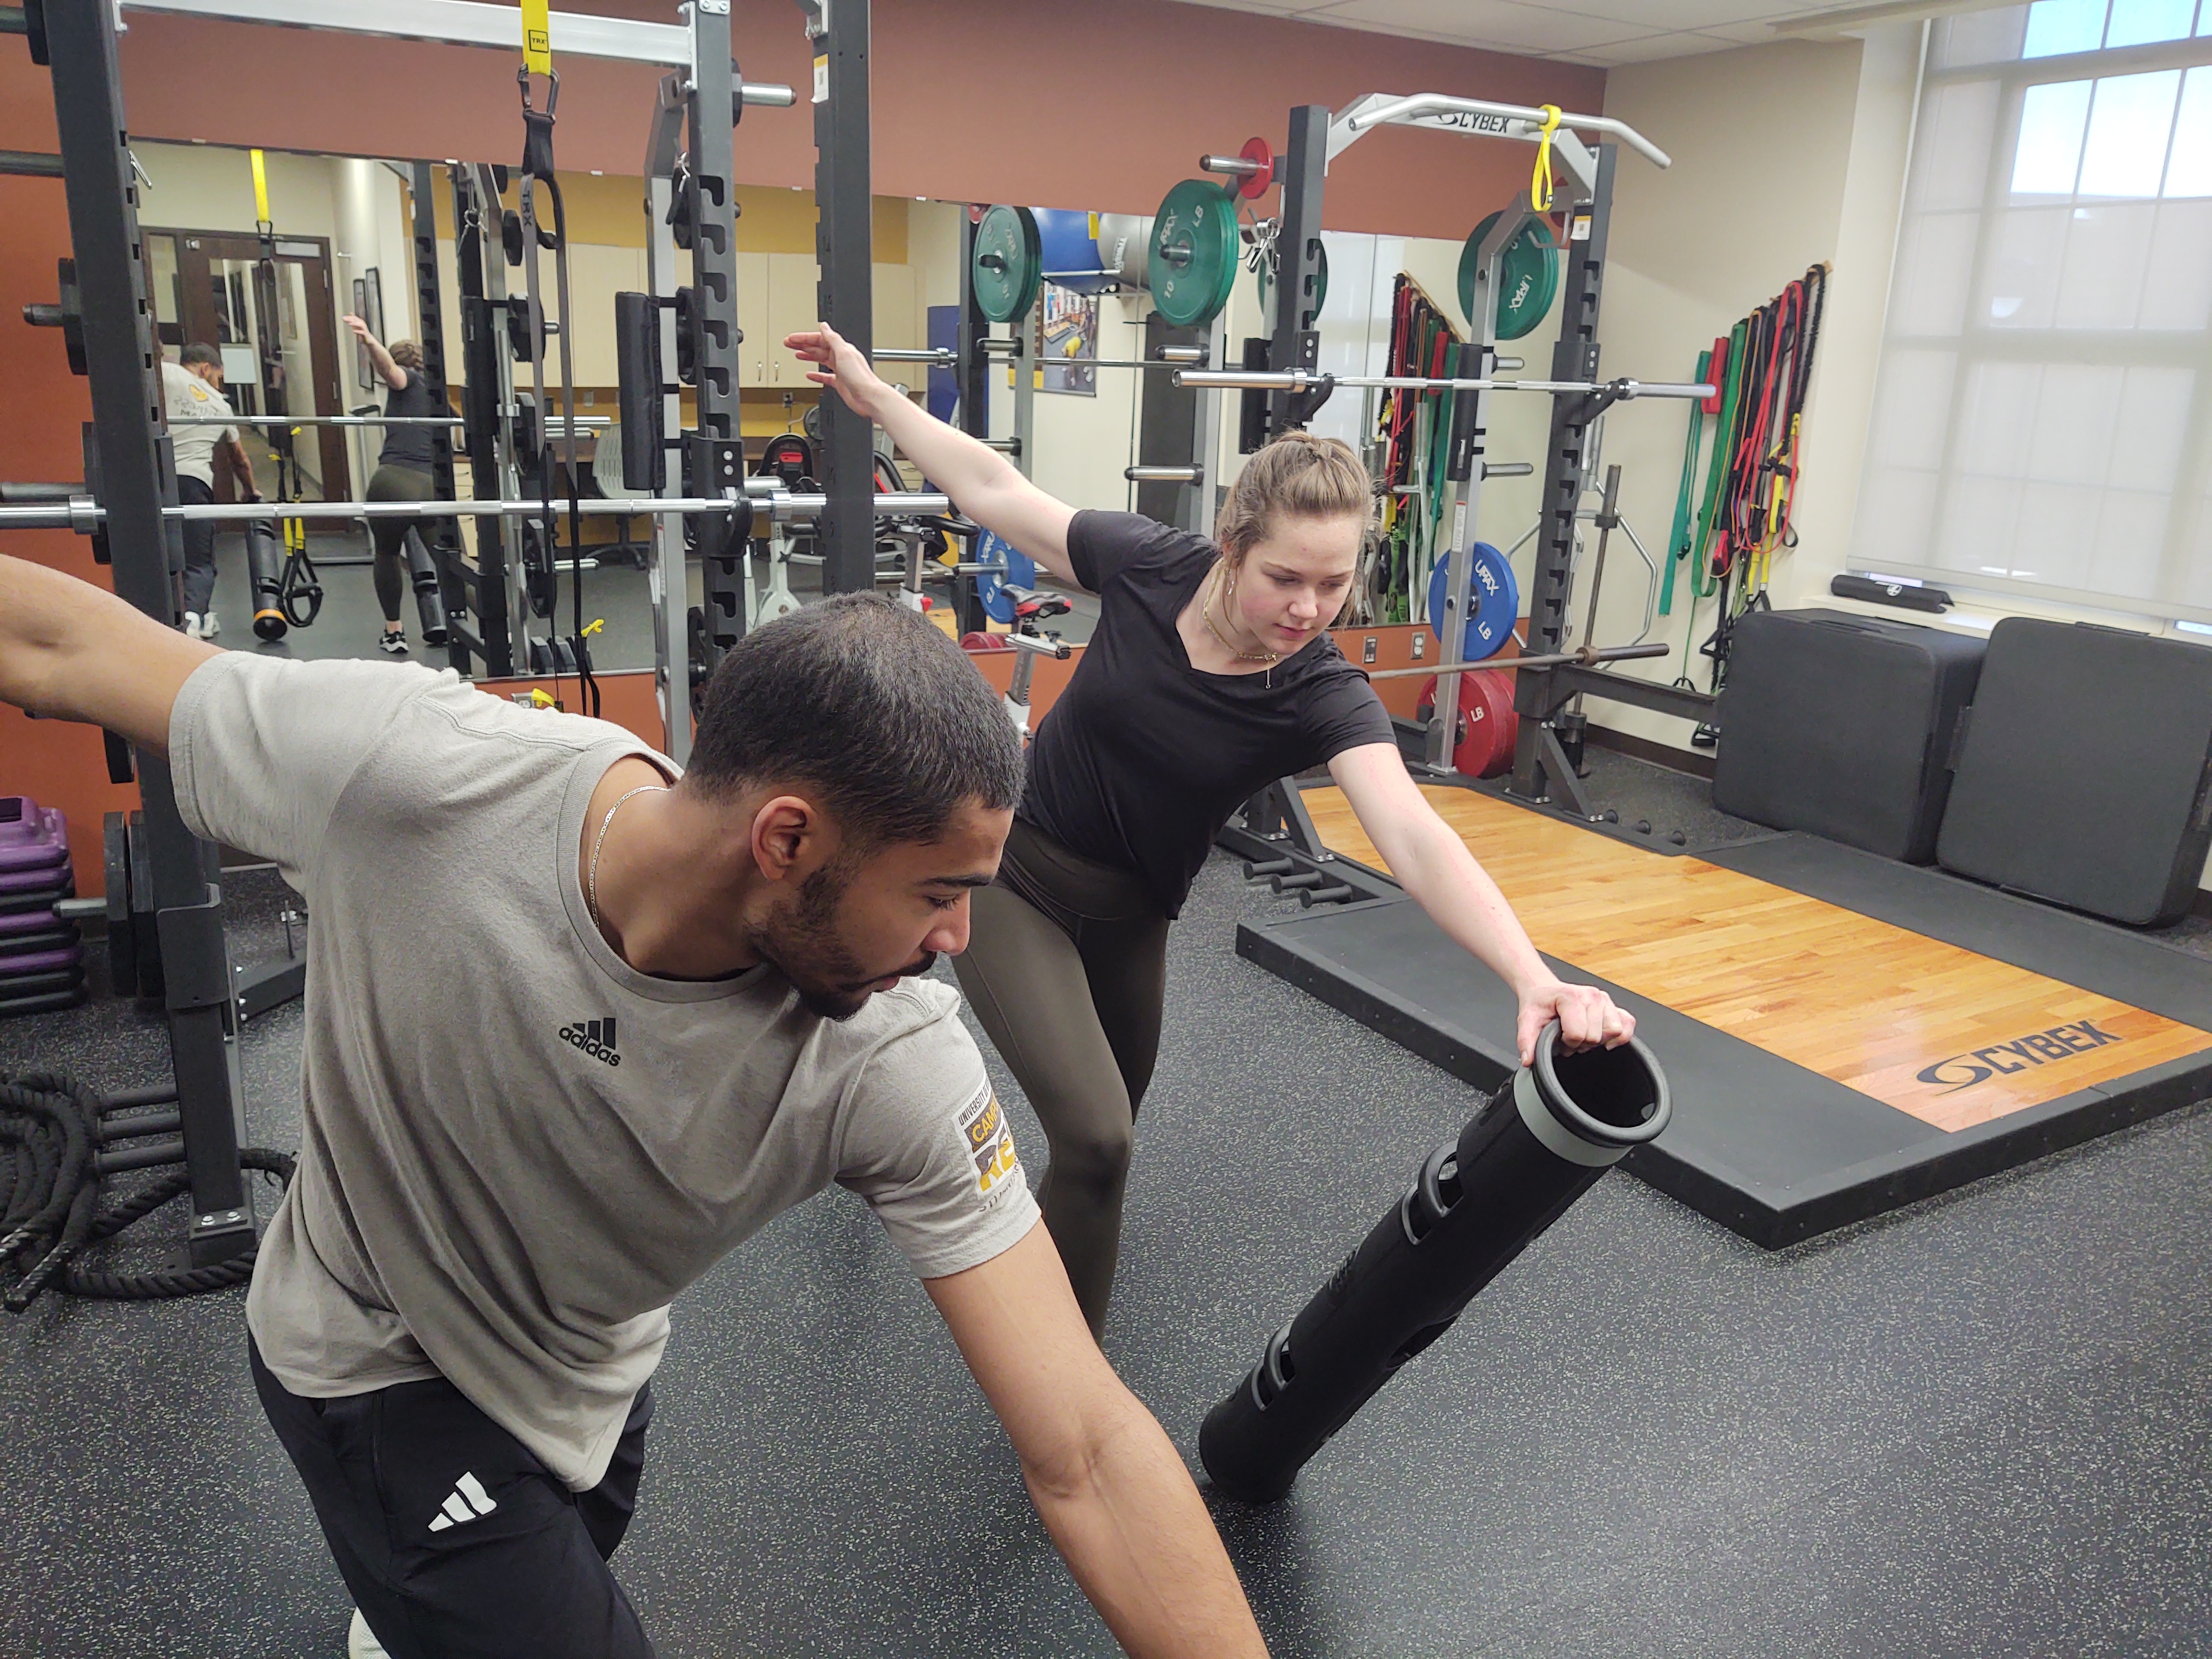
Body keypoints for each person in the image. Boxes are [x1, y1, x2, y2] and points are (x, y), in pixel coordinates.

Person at [0, 560, 1270, 1659]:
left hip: (587, 1375)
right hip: (373, 1358)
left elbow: (1089, 1446)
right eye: (937, 889)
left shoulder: (892, 1057)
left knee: (549, 1541)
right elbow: (65, 646)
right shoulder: (412, 774)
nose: (958, 939)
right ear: (785, 838)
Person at [791, 323, 1637, 1338]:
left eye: (1334, 585)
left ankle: (1036, 1287)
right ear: (1234, 546)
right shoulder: (1152, 567)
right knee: (1100, 1139)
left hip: (1134, 916)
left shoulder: (1318, 693)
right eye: (1287, 578)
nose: (1309, 608)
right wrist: (878, 394)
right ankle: (1064, 1402)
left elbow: (1414, 837)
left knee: (1108, 1136)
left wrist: (1530, 975)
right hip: (1013, 879)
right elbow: (992, 489)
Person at [343, 313, 441, 656]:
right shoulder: (438, 392)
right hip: (431, 486)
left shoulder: (409, 381)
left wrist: (370, 341)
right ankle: (486, 628)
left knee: (386, 553)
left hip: (393, 482)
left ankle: (394, 632)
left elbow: (392, 375)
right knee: (448, 561)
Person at [162, 342, 262, 640]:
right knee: (199, 559)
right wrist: (251, 492)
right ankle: (194, 617)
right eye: (218, 377)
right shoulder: (221, 405)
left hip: (157, 480)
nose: (219, 384)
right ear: (206, 368)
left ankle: (164, 619)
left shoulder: (164, 374)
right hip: (195, 483)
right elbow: (239, 459)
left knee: (159, 550)